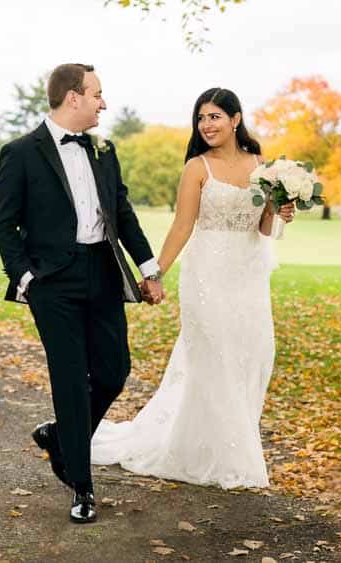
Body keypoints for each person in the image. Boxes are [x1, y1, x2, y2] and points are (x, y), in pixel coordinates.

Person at [91, 87, 296, 489]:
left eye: (215, 116)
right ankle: (232, 460)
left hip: (248, 278)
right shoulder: (197, 168)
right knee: (214, 358)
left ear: (236, 119)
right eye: (201, 118)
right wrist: (156, 273)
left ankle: (221, 446)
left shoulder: (264, 167)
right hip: (206, 277)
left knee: (250, 357)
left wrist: (281, 209)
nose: (207, 125)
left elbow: (267, 229)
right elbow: (182, 226)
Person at [0, 63, 163, 523]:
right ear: (73, 97)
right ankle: (82, 487)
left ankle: (60, 436)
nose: (103, 103)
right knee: (69, 378)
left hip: (103, 272)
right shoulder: (21, 152)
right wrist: (26, 280)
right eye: (97, 94)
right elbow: (4, 224)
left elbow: (122, 213)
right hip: (52, 284)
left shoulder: (104, 151)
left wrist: (149, 268)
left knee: (114, 371)